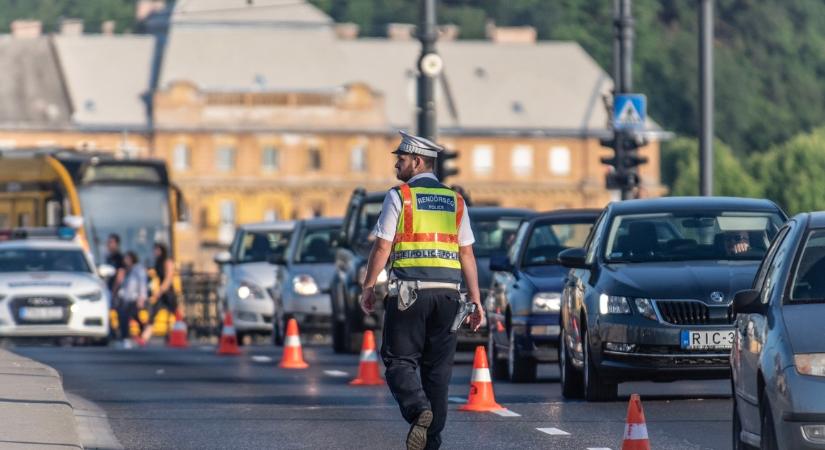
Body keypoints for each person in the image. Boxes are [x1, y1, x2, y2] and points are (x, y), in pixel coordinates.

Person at [360, 131, 484, 450]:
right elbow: (467, 253)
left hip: (409, 294)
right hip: (449, 297)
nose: (396, 166)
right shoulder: (455, 199)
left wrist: (369, 285)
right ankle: (430, 443)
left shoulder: (400, 195)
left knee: (399, 360)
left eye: (400, 160)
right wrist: (476, 301)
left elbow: (383, 245)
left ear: (417, 162)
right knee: (437, 374)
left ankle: (419, 409)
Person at [140, 243, 178, 343]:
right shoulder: (158, 262)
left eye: (157, 250)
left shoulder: (168, 261)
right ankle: (144, 337)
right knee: (153, 313)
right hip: (161, 292)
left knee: (174, 314)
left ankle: (177, 335)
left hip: (168, 292)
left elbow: (168, 278)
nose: (155, 252)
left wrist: (160, 290)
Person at [117, 251, 147, 348]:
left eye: (127, 258)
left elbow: (142, 284)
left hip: (135, 298)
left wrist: (141, 298)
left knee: (126, 317)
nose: (125, 260)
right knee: (128, 317)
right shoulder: (127, 270)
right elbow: (124, 285)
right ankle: (132, 334)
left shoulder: (138, 269)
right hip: (126, 298)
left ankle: (126, 338)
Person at [105, 234, 126, 340]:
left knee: (119, 312)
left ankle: (122, 333)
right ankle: (112, 332)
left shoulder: (119, 257)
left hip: (117, 289)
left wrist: (114, 290)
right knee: (109, 311)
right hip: (109, 288)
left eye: (111, 242)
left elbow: (120, 274)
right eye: (108, 242)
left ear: (116, 244)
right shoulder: (109, 257)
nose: (108, 244)